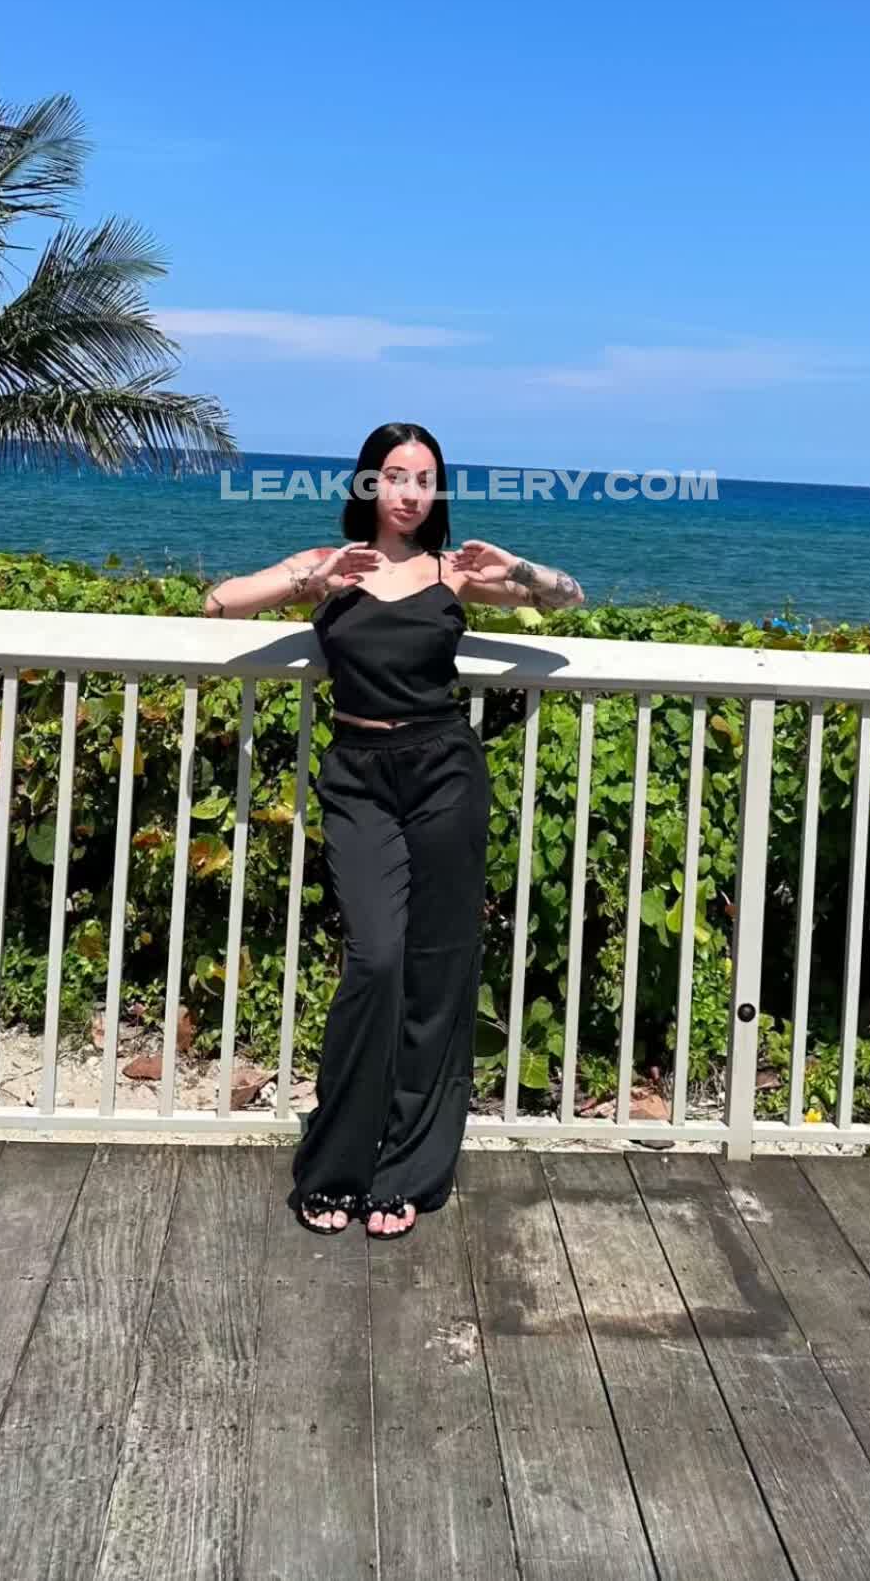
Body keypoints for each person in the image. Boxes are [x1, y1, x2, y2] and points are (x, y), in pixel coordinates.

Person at [200, 423, 585, 1240]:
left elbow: (569, 596)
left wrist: (516, 569)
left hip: (444, 772)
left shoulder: (453, 571)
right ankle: (336, 1164)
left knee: (436, 970)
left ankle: (406, 1169)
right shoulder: (332, 566)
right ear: (369, 483)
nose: (411, 491)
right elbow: (218, 601)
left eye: (425, 478)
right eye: (396, 475)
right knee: (375, 959)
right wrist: (309, 577)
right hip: (359, 777)